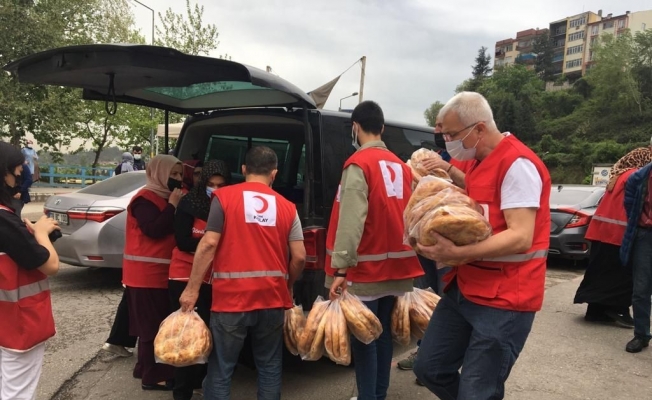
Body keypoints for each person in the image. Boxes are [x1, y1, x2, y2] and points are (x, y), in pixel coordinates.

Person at [413, 92, 551, 400]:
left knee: (478, 391)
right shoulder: (478, 160)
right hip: (466, 288)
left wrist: (457, 254)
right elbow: (479, 191)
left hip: (505, 298)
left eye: (451, 134)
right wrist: (444, 172)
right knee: (429, 368)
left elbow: (520, 236)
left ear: (478, 129)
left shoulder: (518, 165)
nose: (446, 140)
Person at [179, 146, 306, 400]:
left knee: (222, 367)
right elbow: (300, 257)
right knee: (269, 366)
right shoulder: (288, 207)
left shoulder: (224, 198)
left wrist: (191, 289)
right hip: (271, 298)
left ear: (244, 169)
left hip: (231, 300)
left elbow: (209, 243)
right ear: (274, 173)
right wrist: (288, 286)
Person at [325, 101, 424, 400]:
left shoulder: (359, 164)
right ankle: (377, 395)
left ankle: (369, 397)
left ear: (355, 127)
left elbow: (351, 219)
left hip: (366, 270)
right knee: (381, 339)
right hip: (398, 269)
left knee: (364, 340)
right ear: (382, 128)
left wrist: (340, 269)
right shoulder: (400, 165)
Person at [397, 119, 473, 376]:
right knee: (427, 297)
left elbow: (475, 190)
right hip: (425, 240)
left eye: (444, 129)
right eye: (438, 128)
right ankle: (425, 350)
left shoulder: (469, 158)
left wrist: (447, 168)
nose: (439, 132)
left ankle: (448, 359)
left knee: (447, 298)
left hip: (452, 242)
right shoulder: (432, 155)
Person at [0, 141, 60, 400]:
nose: (22, 173)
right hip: (16, 324)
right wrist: (42, 233)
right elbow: (50, 264)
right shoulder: (4, 220)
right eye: (18, 168)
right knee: (17, 393)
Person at [168, 160, 231, 400]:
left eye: (220, 184)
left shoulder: (227, 206)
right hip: (184, 277)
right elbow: (182, 241)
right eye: (210, 184)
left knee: (206, 337)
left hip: (213, 280)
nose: (214, 189)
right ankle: (181, 392)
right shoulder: (189, 203)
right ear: (202, 183)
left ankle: (200, 384)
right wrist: (211, 245)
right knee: (185, 338)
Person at [122, 154, 184, 391]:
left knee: (151, 323)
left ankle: (143, 368)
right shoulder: (144, 200)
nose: (177, 179)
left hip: (158, 273)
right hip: (145, 274)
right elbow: (154, 229)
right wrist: (173, 207)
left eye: (180, 174)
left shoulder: (165, 196)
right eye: (173, 174)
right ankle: (153, 376)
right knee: (151, 327)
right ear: (160, 173)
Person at [574, 148, 652, 328]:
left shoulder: (618, 175)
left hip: (600, 231)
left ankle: (595, 311)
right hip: (619, 232)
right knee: (621, 276)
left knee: (599, 271)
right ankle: (617, 308)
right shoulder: (636, 176)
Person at [620, 158, 652, 353]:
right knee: (641, 289)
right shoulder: (639, 177)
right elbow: (629, 202)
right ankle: (641, 334)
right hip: (644, 235)